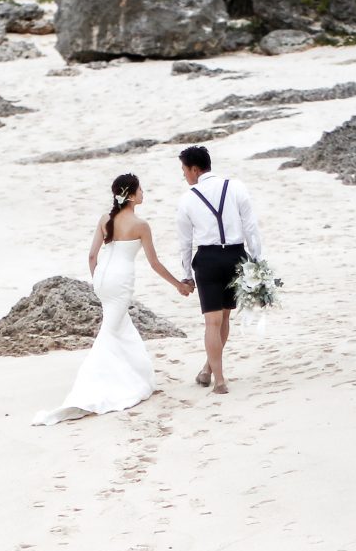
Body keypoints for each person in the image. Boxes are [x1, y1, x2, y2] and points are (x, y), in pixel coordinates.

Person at [34, 172, 189, 424]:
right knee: (107, 334)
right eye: (140, 190)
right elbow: (154, 263)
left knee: (119, 327)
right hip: (120, 281)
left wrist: (97, 281)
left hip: (103, 278)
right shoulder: (141, 225)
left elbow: (92, 257)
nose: (143, 193)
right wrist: (177, 285)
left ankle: (136, 375)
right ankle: (86, 392)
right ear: (130, 195)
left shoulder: (105, 219)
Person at [174, 144, 261, 395]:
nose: (184, 175)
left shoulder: (188, 198)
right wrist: (256, 261)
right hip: (236, 256)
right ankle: (208, 370)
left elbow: (184, 243)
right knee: (223, 319)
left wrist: (186, 276)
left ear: (194, 169)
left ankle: (220, 381)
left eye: (184, 170)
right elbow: (251, 227)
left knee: (211, 322)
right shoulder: (236, 187)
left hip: (208, 259)